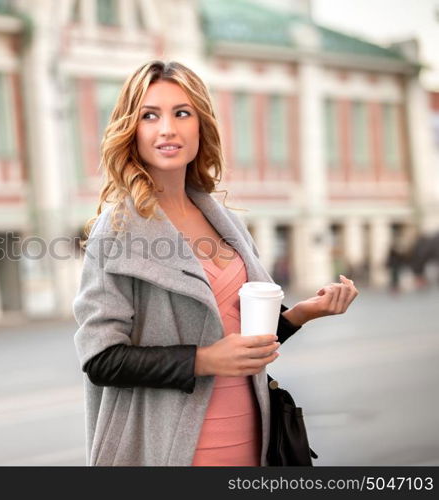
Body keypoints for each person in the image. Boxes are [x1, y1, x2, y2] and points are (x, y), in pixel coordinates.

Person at [72, 60, 359, 466]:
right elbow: (100, 359)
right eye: (149, 115)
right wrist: (205, 360)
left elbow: (240, 340)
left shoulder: (224, 221)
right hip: (175, 449)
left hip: (250, 438)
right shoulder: (117, 229)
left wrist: (302, 314)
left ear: (200, 125)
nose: (167, 128)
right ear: (131, 130)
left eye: (181, 113)